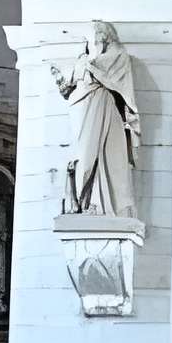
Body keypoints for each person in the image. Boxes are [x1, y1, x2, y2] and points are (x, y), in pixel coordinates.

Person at [56, 23, 142, 218]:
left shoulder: (117, 56)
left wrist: (90, 67)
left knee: (111, 157)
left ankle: (100, 205)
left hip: (106, 107)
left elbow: (112, 77)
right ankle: (79, 202)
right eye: (92, 40)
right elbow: (69, 86)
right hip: (84, 109)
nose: (96, 43)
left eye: (99, 39)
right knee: (84, 155)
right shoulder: (82, 61)